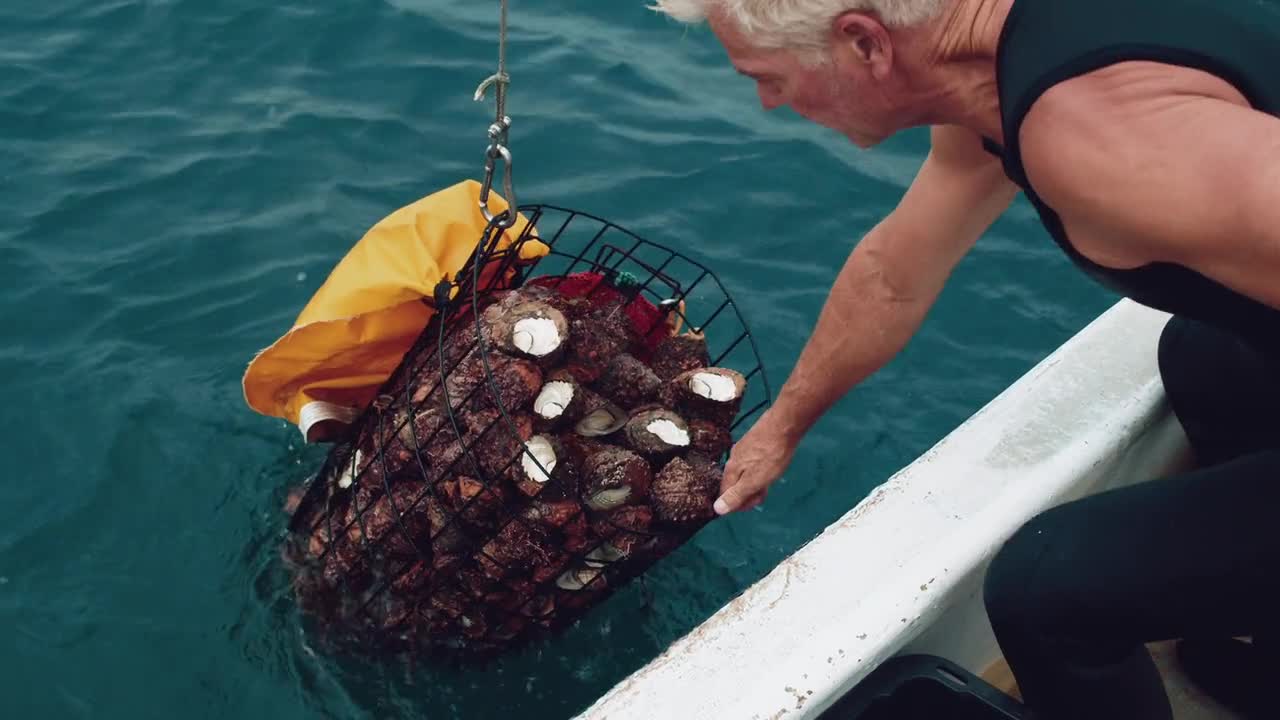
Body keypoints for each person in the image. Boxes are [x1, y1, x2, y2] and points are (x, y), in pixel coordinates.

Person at [650, 0, 1280, 718]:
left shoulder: (1103, 138)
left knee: (1047, 591)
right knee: (1207, 361)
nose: (767, 103)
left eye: (767, 76)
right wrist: (782, 427)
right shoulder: (994, 76)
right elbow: (895, 273)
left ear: (864, 42)